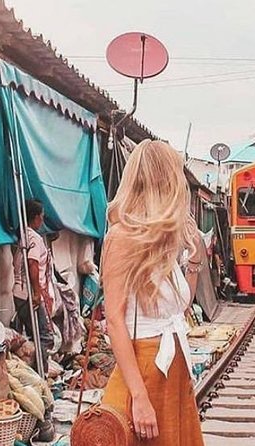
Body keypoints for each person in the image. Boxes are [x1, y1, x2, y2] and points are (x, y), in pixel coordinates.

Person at [100, 140, 204, 445]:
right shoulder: (121, 237)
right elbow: (115, 320)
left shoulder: (163, 239)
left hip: (173, 368)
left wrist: (194, 258)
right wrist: (139, 397)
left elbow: (180, 308)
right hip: (145, 368)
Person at [11, 198, 55, 440]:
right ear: (36, 217)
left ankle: (33, 377)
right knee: (44, 337)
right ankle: (39, 381)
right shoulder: (35, 239)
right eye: (42, 216)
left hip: (19, 293)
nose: (43, 220)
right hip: (29, 295)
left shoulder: (22, 236)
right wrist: (38, 293)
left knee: (30, 337)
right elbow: (33, 264)